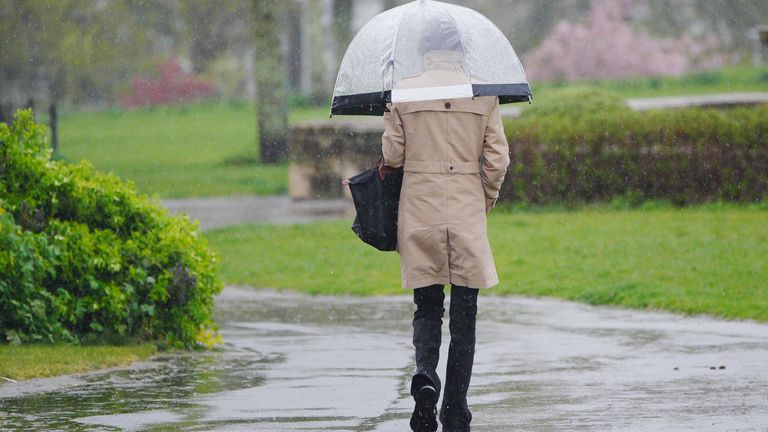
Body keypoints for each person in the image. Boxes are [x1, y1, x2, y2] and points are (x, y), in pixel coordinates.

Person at [380, 20, 510, 432]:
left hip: (420, 205)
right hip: (467, 205)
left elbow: (394, 155)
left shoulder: (404, 91)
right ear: (463, 48)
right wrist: (484, 199)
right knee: (466, 313)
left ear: (423, 48)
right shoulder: (484, 93)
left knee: (428, 304)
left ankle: (425, 380)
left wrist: (393, 114)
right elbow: (497, 160)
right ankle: (456, 407)